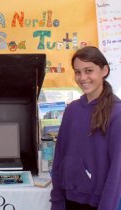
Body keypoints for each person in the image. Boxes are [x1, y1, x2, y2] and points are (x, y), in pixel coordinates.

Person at [50, 46, 121, 210]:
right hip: (68, 201)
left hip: (99, 204)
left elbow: (117, 171)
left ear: (104, 70)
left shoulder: (117, 113)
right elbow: (59, 158)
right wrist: (57, 201)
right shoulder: (72, 110)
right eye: (78, 72)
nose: (83, 78)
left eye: (89, 70)